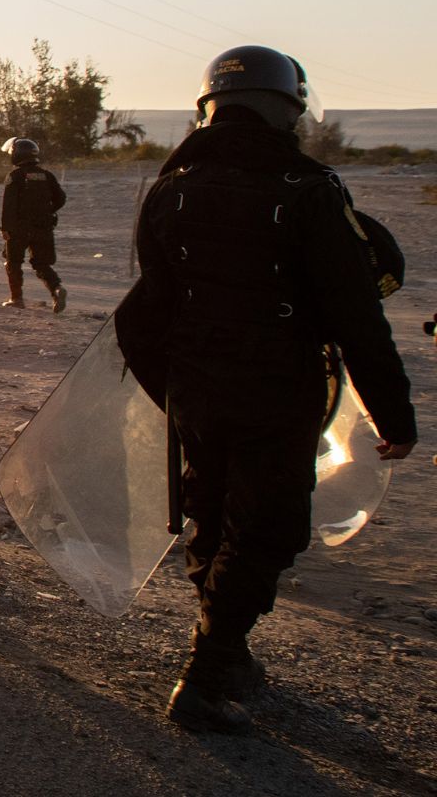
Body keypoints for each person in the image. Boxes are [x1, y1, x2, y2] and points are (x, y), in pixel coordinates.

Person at [120, 46, 417, 733]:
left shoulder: (169, 189)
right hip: (276, 393)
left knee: (212, 515)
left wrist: (174, 396)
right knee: (266, 529)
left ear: (210, 107)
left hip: (196, 392)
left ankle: (227, 652)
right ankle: (205, 677)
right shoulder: (309, 192)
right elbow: (357, 317)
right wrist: (393, 415)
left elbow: (145, 314)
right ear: (286, 108)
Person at [0, 137, 67, 311]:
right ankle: (56, 289)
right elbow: (61, 198)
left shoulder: (15, 176)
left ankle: (16, 298)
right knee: (42, 264)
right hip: (43, 227)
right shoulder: (47, 175)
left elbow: (8, 205)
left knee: (13, 262)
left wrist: (5, 228)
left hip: (19, 229)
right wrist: (47, 211)